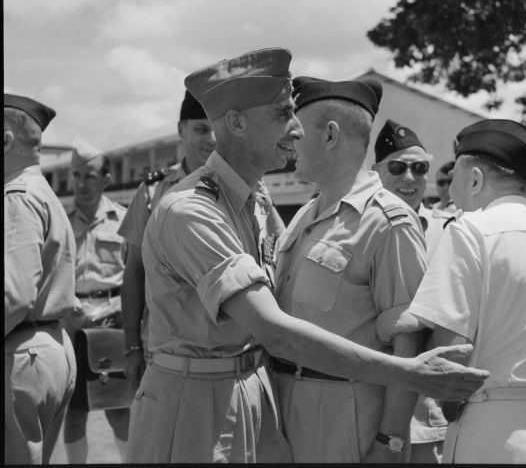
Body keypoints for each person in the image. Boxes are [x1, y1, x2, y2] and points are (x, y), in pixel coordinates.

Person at [126, 47, 489, 464]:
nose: (297, 129)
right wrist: (412, 375)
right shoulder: (192, 209)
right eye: (283, 114)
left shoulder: (255, 201)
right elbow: (274, 330)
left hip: (259, 400)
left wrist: (391, 437)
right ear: (237, 122)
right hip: (193, 406)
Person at [271, 77, 426, 463]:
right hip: (283, 411)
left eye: (298, 130)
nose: (290, 140)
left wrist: (391, 441)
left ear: (330, 135)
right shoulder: (307, 214)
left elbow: (409, 343)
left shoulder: (389, 222)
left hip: (348, 420)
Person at [407, 119, 526, 464]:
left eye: (454, 177)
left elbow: (451, 352)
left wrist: (449, 405)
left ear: (475, 179)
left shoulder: (469, 230)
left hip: (491, 428)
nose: (449, 190)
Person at [118, 90, 215, 389]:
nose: (211, 138)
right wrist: (132, 347)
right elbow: (134, 272)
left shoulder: (243, 189)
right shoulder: (153, 192)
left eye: (216, 129)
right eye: (200, 129)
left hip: (225, 349)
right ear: (181, 131)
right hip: (163, 349)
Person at [372, 119, 452, 463]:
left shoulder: (451, 230)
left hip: (428, 414)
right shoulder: (360, 228)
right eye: (398, 167)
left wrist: (394, 321)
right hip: (372, 407)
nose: (410, 178)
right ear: (376, 172)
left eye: (420, 168)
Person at [4, 94, 77, 464]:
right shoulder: (41, 191)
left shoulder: (15, 195)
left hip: (21, 353)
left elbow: (12, 296)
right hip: (48, 346)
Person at [62, 140, 129, 463]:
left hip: (111, 327)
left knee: (119, 412)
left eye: (89, 176)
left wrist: (117, 308)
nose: (81, 183)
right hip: (71, 328)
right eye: (76, 176)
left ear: (105, 179)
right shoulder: (60, 222)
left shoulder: (124, 220)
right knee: (73, 416)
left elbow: (135, 276)